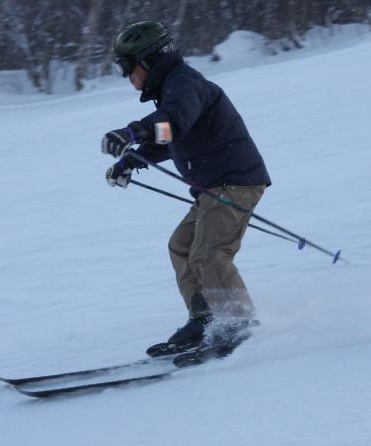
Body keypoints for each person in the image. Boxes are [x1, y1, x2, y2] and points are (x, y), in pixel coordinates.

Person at [101, 21, 271, 361]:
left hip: (234, 182)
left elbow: (173, 122)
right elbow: (170, 135)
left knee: (209, 253)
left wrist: (133, 132)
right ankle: (204, 318)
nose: (126, 76)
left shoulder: (185, 84)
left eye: (127, 66)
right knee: (182, 246)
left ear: (147, 61)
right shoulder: (173, 89)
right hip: (215, 186)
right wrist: (132, 160)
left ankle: (237, 324)